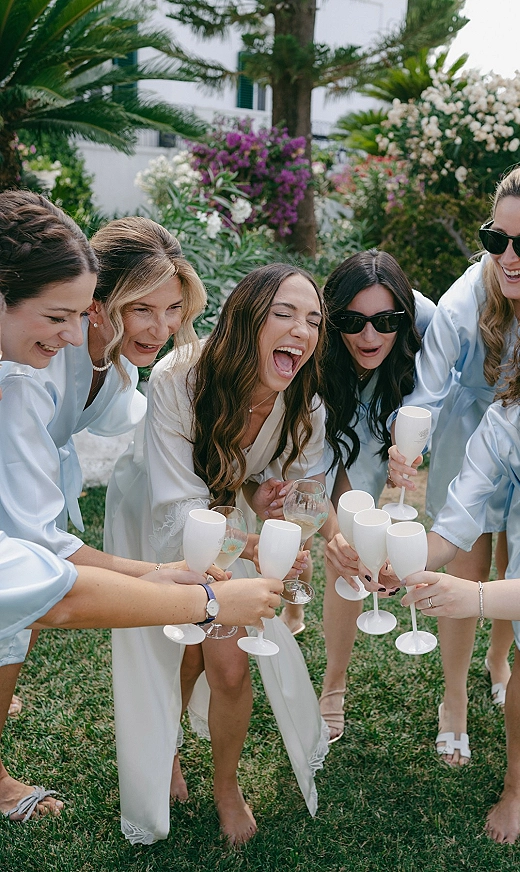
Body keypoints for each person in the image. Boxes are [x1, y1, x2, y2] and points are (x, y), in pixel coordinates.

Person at [105, 263, 329, 846]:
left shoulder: (304, 400)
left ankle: (226, 786)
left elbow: (299, 490)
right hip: (153, 518)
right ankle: (169, 750)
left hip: (230, 518)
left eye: (312, 320)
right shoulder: (179, 378)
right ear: (245, 318)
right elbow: (175, 510)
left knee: (227, 664)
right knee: (175, 652)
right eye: (284, 315)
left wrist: (281, 518)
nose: (301, 331)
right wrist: (251, 543)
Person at [0, 197, 204, 818]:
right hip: (18, 488)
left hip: (27, 482)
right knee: (16, 613)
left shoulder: (113, 365)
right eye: (139, 308)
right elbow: (46, 560)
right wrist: (166, 583)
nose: (158, 328)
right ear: (102, 302)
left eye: (173, 310)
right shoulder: (24, 376)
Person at [388, 160, 520, 765]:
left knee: (517, 560)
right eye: (495, 240)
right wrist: (409, 447)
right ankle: (453, 702)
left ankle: (499, 661)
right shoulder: (467, 296)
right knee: (466, 554)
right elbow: (428, 390)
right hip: (476, 424)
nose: (507, 256)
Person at [405, 297, 520, 844]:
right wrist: (403, 563)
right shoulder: (508, 421)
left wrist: (477, 600)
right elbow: (457, 521)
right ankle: (515, 784)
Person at [308, 250, 435, 742]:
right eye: (352, 321)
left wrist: (417, 441)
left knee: (353, 549)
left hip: (376, 436)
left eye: (385, 321)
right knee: (332, 540)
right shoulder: (313, 354)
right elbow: (314, 468)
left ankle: (333, 685)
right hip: (319, 432)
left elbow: (442, 385)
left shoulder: (423, 319)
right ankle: (327, 671)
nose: (369, 336)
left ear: (403, 315)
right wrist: (332, 532)